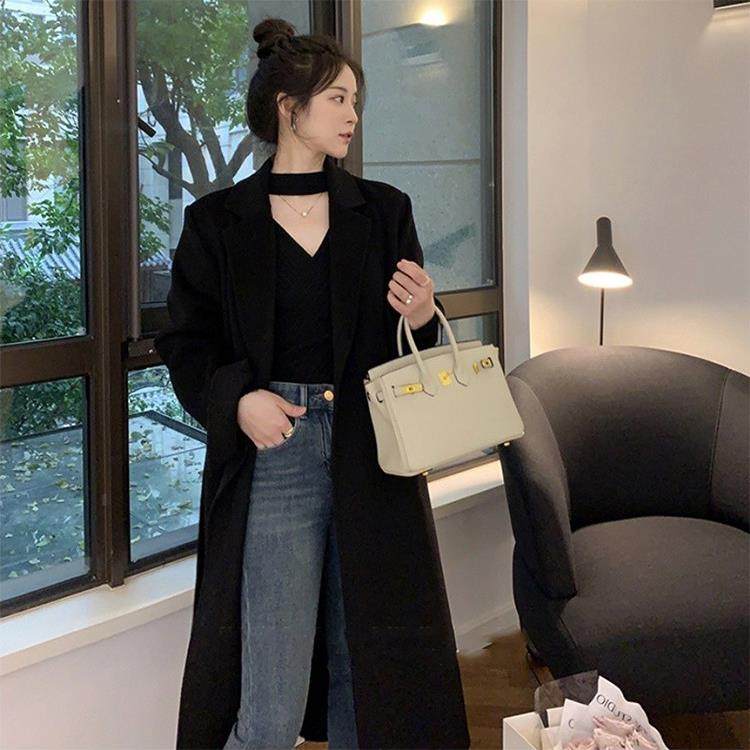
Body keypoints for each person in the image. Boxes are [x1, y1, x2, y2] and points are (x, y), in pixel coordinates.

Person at [155, 16, 470, 750]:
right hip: (277, 453)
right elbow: (185, 342)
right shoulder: (217, 223)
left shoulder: (383, 211)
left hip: (372, 449)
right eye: (337, 99)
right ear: (287, 108)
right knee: (270, 689)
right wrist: (239, 401)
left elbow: (411, 340)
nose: (353, 115)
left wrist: (423, 313)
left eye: (355, 100)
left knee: (370, 667)